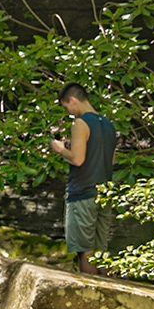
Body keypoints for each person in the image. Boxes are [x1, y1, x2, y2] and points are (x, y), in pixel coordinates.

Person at [50, 82, 117, 274]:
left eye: (67, 107)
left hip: (82, 192)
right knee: (100, 249)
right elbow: (111, 160)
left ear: (72, 100)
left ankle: (90, 295)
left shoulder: (81, 123)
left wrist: (61, 149)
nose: (69, 112)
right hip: (104, 193)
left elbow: (78, 159)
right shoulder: (109, 125)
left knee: (85, 250)